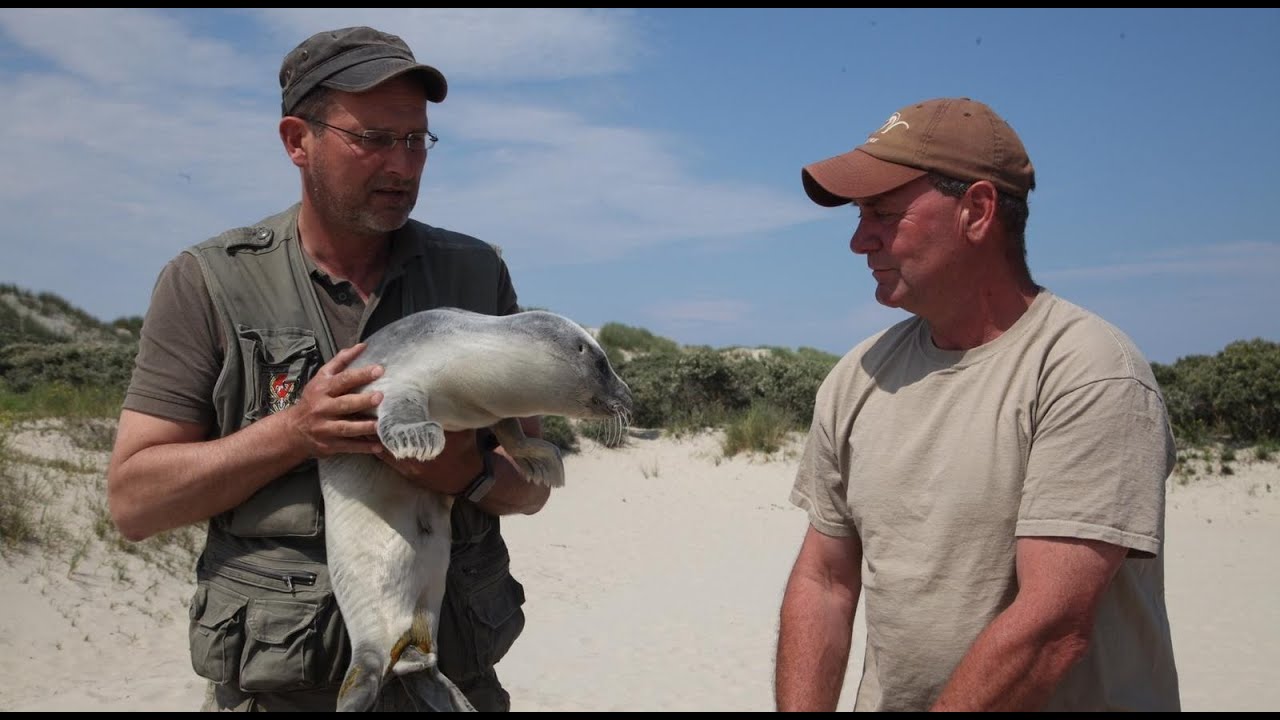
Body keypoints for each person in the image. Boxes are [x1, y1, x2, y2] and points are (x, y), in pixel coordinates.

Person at [106, 26, 545, 712]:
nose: (402, 165)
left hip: (452, 685)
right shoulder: (208, 283)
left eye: (416, 140)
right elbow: (135, 502)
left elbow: (534, 484)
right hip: (280, 692)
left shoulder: (475, 275)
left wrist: (468, 471)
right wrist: (294, 433)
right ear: (296, 140)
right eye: (373, 138)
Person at [773, 97, 1180, 712]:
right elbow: (824, 580)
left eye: (883, 212)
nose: (859, 240)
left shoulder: (1088, 373)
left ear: (978, 210)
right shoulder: (859, 376)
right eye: (859, 215)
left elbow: (1051, 631)